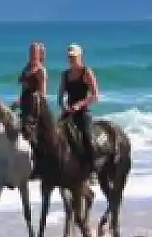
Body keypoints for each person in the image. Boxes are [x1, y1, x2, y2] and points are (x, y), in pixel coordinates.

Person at [57, 43, 99, 172]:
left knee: (87, 137)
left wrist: (79, 105)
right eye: (70, 57)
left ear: (80, 56)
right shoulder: (65, 74)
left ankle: (91, 169)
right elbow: (60, 95)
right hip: (69, 111)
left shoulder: (86, 72)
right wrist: (64, 105)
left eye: (74, 57)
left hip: (82, 112)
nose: (71, 60)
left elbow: (95, 96)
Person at [18, 41, 48, 121]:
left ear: (39, 54)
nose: (32, 55)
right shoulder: (27, 67)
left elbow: (43, 93)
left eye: (34, 52)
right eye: (31, 52)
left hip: (36, 103)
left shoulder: (41, 70)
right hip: (24, 100)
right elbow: (20, 81)